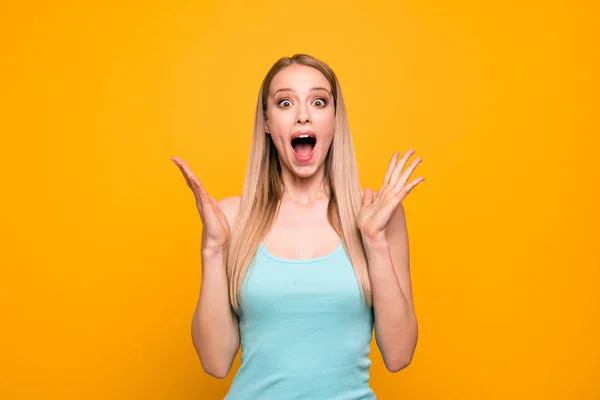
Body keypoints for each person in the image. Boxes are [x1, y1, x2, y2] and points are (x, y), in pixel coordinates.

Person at [171, 53, 424, 399]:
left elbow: (399, 355)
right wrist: (213, 250)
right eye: (285, 102)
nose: (303, 114)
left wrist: (374, 240)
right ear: (266, 122)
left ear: (335, 120)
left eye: (318, 101)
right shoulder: (230, 218)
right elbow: (215, 362)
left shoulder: (377, 216)